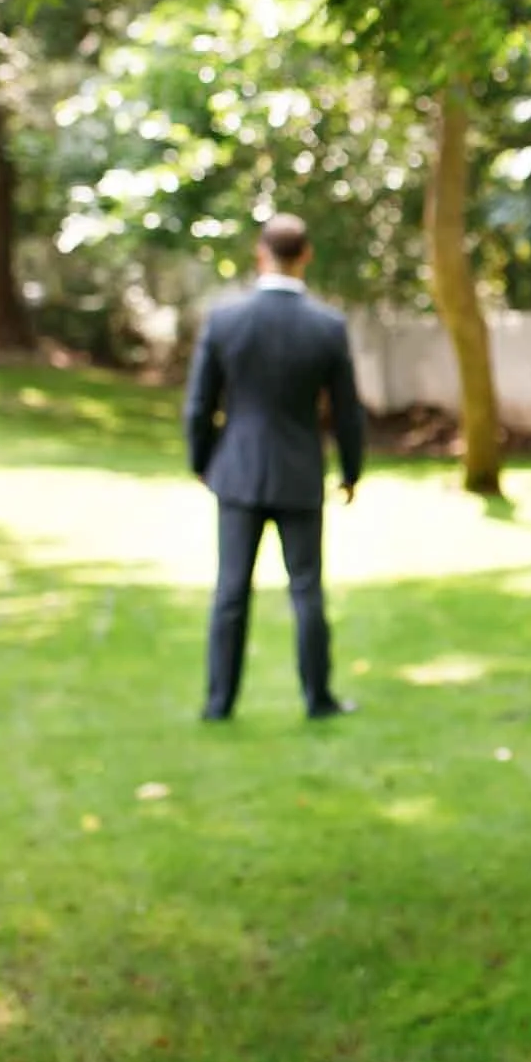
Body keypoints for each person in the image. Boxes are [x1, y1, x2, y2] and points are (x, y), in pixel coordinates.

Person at [184, 213, 366, 723]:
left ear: (259, 253)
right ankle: (319, 699)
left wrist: (201, 461)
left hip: (237, 471)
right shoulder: (327, 326)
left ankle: (219, 704)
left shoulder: (225, 320)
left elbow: (199, 405)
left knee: (230, 592)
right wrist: (351, 472)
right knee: (306, 589)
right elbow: (348, 412)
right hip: (299, 471)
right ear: (306, 255)